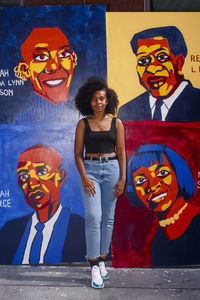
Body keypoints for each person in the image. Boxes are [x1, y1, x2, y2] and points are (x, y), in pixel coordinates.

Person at [74, 77, 126, 288]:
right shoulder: (83, 123)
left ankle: (103, 259)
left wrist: (123, 178)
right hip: (91, 171)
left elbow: (122, 152)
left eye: (102, 98)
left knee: (108, 218)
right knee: (93, 216)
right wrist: (85, 177)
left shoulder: (117, 123)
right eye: (95, 99)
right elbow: (78, 154)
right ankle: (94, 263)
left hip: (112, 169)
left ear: (108, 100)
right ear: (89, 101)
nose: (98, 102)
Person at [0, 144, 86, 264]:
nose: (32, 183)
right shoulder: (10, 229)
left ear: (61, 176)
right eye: (24, 175)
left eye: (41, 171)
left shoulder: (82, 230)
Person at [126, 144, 200, 266]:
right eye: (141, 181)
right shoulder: (159, 236)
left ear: (178, 173)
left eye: (162, 173)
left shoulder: (197, 222)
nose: (153, 186)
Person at [118, 26, 200, 121]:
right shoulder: (127, 111)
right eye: (143, 60)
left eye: (162, 57)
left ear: (179, 62)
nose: (152, 68)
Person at [14, 27, 77, 105]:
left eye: (63, 54)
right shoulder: (22, 115)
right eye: (41, 57)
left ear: (74, 60)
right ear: (25, 69)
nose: (54, 67)